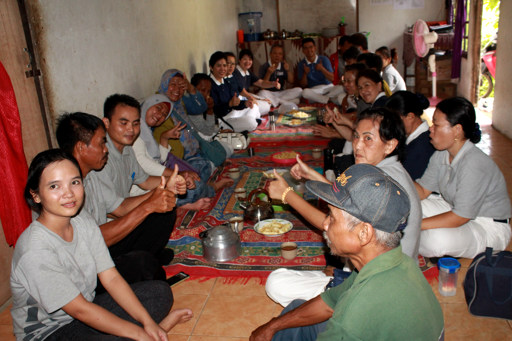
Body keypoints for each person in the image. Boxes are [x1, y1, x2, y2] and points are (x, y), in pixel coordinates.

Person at [11, 149, 193, 340]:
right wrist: (139, 333)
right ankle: (154, 332)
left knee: (159, 293)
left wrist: (146, 322)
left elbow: (111, 278)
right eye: (54, 186)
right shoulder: (34, 249)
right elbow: (80, 310)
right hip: (50, 333)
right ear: (36, 195)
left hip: (86, 310)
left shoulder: (81, 220)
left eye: (74, 182)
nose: (68, 194)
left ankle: (151, 331)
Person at [250, 164, 444, 341]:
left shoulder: (353, 317)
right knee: (294, 311)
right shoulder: (394, 262)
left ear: (364, 233)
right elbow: (330, 301)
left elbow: (347, 319)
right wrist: (271, 327)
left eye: (332, 218)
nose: (325, 224)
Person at [265, 107, 422, 307]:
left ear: (390, 145)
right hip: (388, 274)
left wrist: (287, 195)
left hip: (375, 289)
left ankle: (342, 302)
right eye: (356, 137)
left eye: (368, 139)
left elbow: (330, 223)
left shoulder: (384, 180)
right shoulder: (385, 172)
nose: (357, 145)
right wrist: (312, 175)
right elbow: (347, 202)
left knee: (277, 283)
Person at [56, 111, 184, 285]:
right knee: (146, 269)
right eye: (101, 143)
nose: (105, 149)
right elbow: (92, 240)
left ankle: (146, 258)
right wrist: (147, 206)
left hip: (102, 247)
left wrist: (157, 195)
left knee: (164, 213)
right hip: (83, 268)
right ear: (81, 148)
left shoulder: (91, 174)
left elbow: (120, 209)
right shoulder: (64, 190)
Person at [415, 97, 511, 259]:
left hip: (487, 225)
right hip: (454, 209)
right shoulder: (441, 154)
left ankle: (403, 238)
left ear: (457, 130)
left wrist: (415, 225)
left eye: (436, 125)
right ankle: (406, 237)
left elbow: (461, 216)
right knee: (408, 206)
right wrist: (395, 170)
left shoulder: (474, 163)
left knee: (436, 240)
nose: (430, 129)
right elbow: (423, 191)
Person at [132, 93, 215, 211]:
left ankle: (197, 191)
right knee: (195, 187)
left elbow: (160, 160)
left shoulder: (147, 131)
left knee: (202, 165)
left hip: (157, 179)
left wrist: (164, 138)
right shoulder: (134, 131)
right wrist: (177, 175)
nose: (159, 115)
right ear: (148, 104)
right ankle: (208, 190)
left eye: (164, 115)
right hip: (145, 189)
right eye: (158, 108)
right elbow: (143, 164)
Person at [385, 90, 435, 180]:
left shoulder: (423, 145)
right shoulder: (411, 137)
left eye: (394, 120)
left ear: (410, 117)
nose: (391, 124)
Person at [209, 51, 261, 132]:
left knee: (253, 106)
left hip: (232, 113)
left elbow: (234, 103)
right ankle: (250, 123)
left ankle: (248, 123)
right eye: (218, 66)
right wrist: (229, 104)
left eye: (224, 65)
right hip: (222, 120)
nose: (223, 69)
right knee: (251, 123)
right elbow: (215, 111)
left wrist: (245, 103)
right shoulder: (210, 85)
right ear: (211, 67)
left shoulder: (225, 81)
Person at [298, 38, 345, 105]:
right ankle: (328, 99)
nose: (309, 50)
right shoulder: (301, 64)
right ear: (303, 51)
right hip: (314, 90)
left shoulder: (324, 59)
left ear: (315, 48)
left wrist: (322, 69)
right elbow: (303, 84)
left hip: (328, 88)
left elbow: (332, 78)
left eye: (311, 47)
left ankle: (324, 99)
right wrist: (305, 73)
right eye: (306, 48)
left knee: (342, 88)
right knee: (304, 92)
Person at [232, 48, 277, 116]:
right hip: (240, 100)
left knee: (267, 102)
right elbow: (242, 92)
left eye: (250, 59)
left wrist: (273, 84)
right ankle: (251, 114)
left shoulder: (248, 72)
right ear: (239, 60)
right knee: (266, 105)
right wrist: (256, 99)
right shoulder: (236, 72)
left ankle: (253, 113)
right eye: (245, 59)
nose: (247, 62)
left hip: (247, 97)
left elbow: (261, 83)